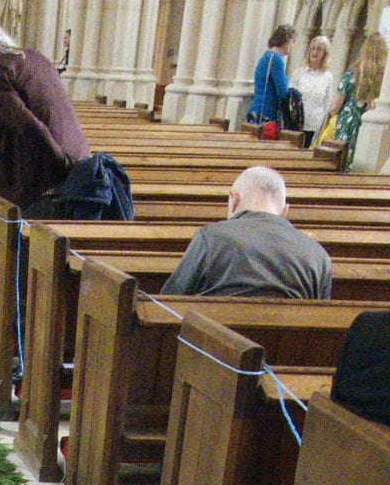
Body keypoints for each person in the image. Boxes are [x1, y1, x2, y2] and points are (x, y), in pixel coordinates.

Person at [0, 13, 90, 208]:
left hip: (52, 180)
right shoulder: (36, 58)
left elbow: (29, 127)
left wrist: (65, 166)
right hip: (80, 160)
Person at [161, 166, 332, 299]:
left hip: (214, 342)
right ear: (284, 211)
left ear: (234, 200)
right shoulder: (319, 256)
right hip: (292, 344)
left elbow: (169, 301)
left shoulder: (210, 237)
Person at [330, 33, 388, 172]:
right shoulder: (384, 78)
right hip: (371, 124)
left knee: (340, 164)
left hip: (348, 123)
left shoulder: (353, 73)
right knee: (360, 168)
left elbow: (335, 106)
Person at [289, 36, 333, 148]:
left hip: (315, 125)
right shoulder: (299, 73)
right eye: (312, 48)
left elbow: (327, 103)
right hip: (297, 124)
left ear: (325, 54)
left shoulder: (328, 77)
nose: (315, 52)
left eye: (319, 49)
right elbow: (290, 99)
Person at [246, 24, 295, 125]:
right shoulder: (276, 59)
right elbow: (282, 91)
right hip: (267, 112)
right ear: (286, 41)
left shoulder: (266, 56)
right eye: (292, 42)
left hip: (256, 108)